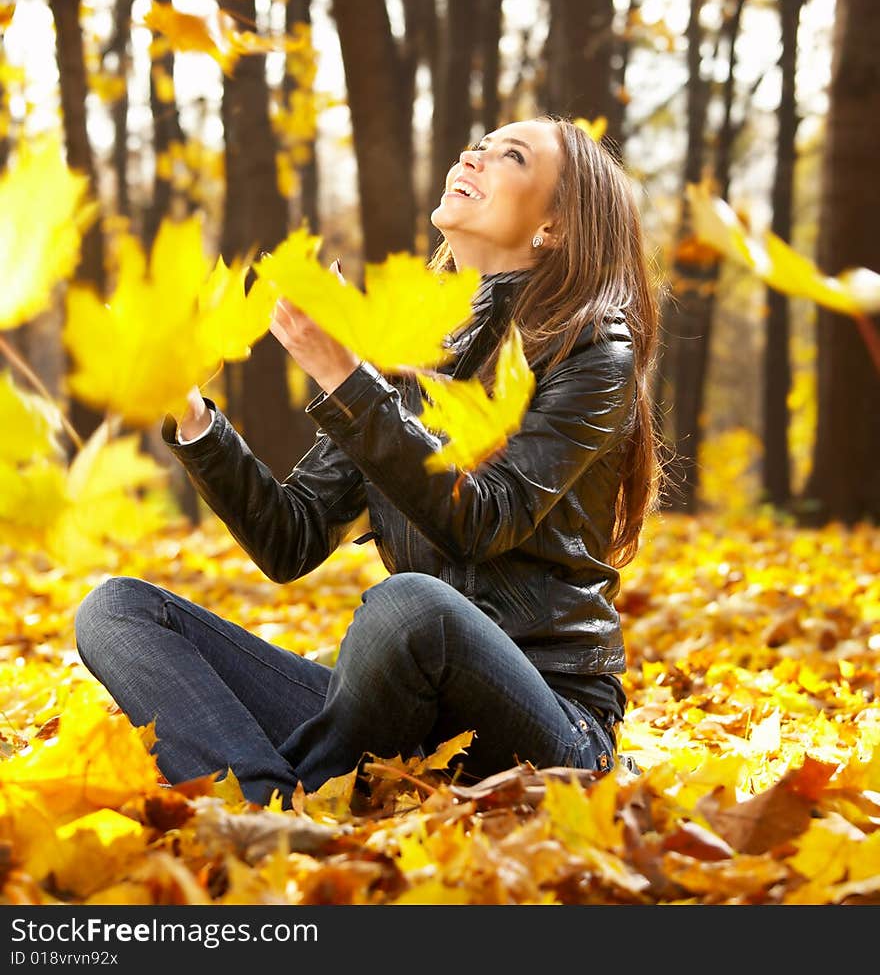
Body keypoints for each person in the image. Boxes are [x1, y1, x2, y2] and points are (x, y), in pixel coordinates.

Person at [75, 115, 661, 807]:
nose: (471, 155)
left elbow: (484, 521)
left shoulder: (591, 350)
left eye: (509, 155)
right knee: (116, 609)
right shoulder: (413, 351)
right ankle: (268, 807)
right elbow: (288, 538)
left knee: (412, 606)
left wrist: (345, 378)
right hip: (402, 718)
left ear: (553, 226)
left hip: (547, 725)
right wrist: (190, 411)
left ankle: (290, 787)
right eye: (476, 142)